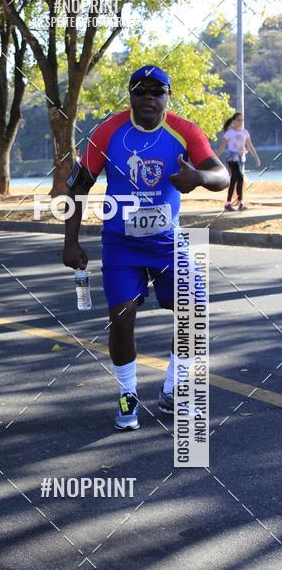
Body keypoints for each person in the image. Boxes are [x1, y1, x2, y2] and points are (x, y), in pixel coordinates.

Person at [63, 65, 229, 431]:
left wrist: (199, 177)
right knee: (121, 319)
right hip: (121, 244)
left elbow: (223, 176)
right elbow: (77, 187)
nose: (149, 98)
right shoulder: (108, 131)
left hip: (167, 242)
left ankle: (173, 390)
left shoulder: (184, 131)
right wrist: (70, 241)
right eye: (141, 92)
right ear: (131, 96)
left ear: (168, 96)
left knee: (192, 312)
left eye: (157, 92)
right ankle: (127, 394)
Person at [217, 112, 260, 211]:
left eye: (242, 120)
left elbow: (250, 146)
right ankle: (240, 202)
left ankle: (228, 203)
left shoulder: (245, 132)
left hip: (241, 159)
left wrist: (256, 158)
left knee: (234, 180)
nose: (241, 122)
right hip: (232, 159)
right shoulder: (230, 133)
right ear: (234, 121)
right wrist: (215, 158)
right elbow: (222, 146)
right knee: (240, 177)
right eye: (238, 120)